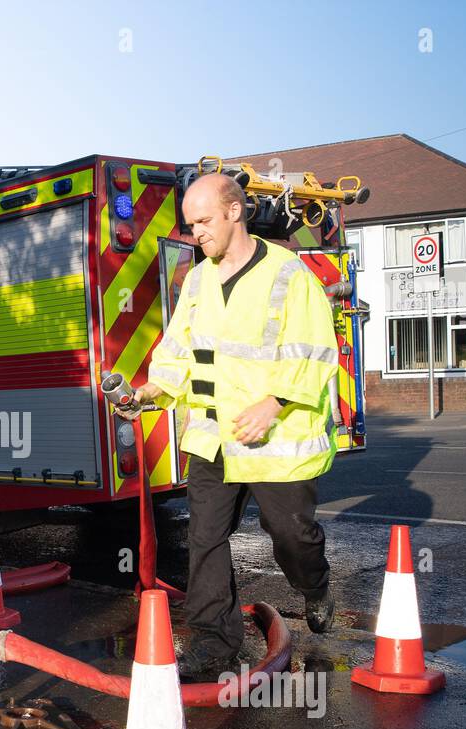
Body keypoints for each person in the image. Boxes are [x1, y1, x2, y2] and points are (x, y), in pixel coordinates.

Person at [120, 173, 340, 679]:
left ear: (234, 212)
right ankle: (213, 646)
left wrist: (275, 401)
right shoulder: (197, 281)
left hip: (272, 439)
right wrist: (148, 393)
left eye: (203, 221)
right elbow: (178, 351)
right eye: (191, 224)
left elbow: (314, 350)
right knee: (205, 541)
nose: (195, 232)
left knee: (290, 534)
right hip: (212, 439)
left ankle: (315, 587)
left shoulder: (288, 274)